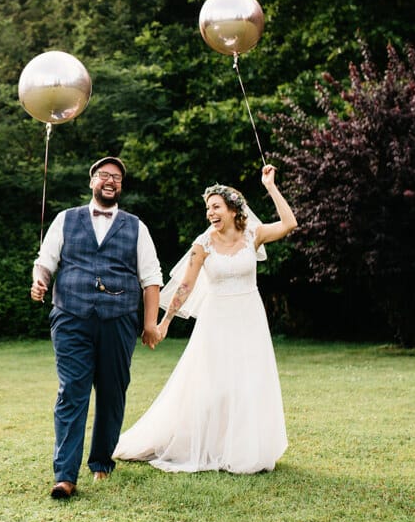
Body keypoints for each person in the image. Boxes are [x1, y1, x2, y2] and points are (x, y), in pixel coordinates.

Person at [112, 163, 297, 474]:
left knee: (249, 382)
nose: (210, 213)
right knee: (215, 385)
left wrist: (270, 186)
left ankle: (243, 449)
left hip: (250, 317)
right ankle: (206, 445)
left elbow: (290, 223)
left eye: (215, 206)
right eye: (207, 208)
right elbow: (186, 285)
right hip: (217, 320)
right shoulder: (203, 243)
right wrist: (165, 321)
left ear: (233, 209)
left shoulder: (253, 234)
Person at [31, 156, 164, 498]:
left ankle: (102, 462)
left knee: (111, 393)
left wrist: (150, 323)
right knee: (71, 392)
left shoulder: (136, 226)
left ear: (121, 186)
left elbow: (151, 280)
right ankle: (65, 476)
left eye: (117, 177)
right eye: (104, 175)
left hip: (119, 320)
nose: (110, 181)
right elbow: (45, 261)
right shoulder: (66, 219)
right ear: (92, 181)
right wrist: (40, 282)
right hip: (71, 317)